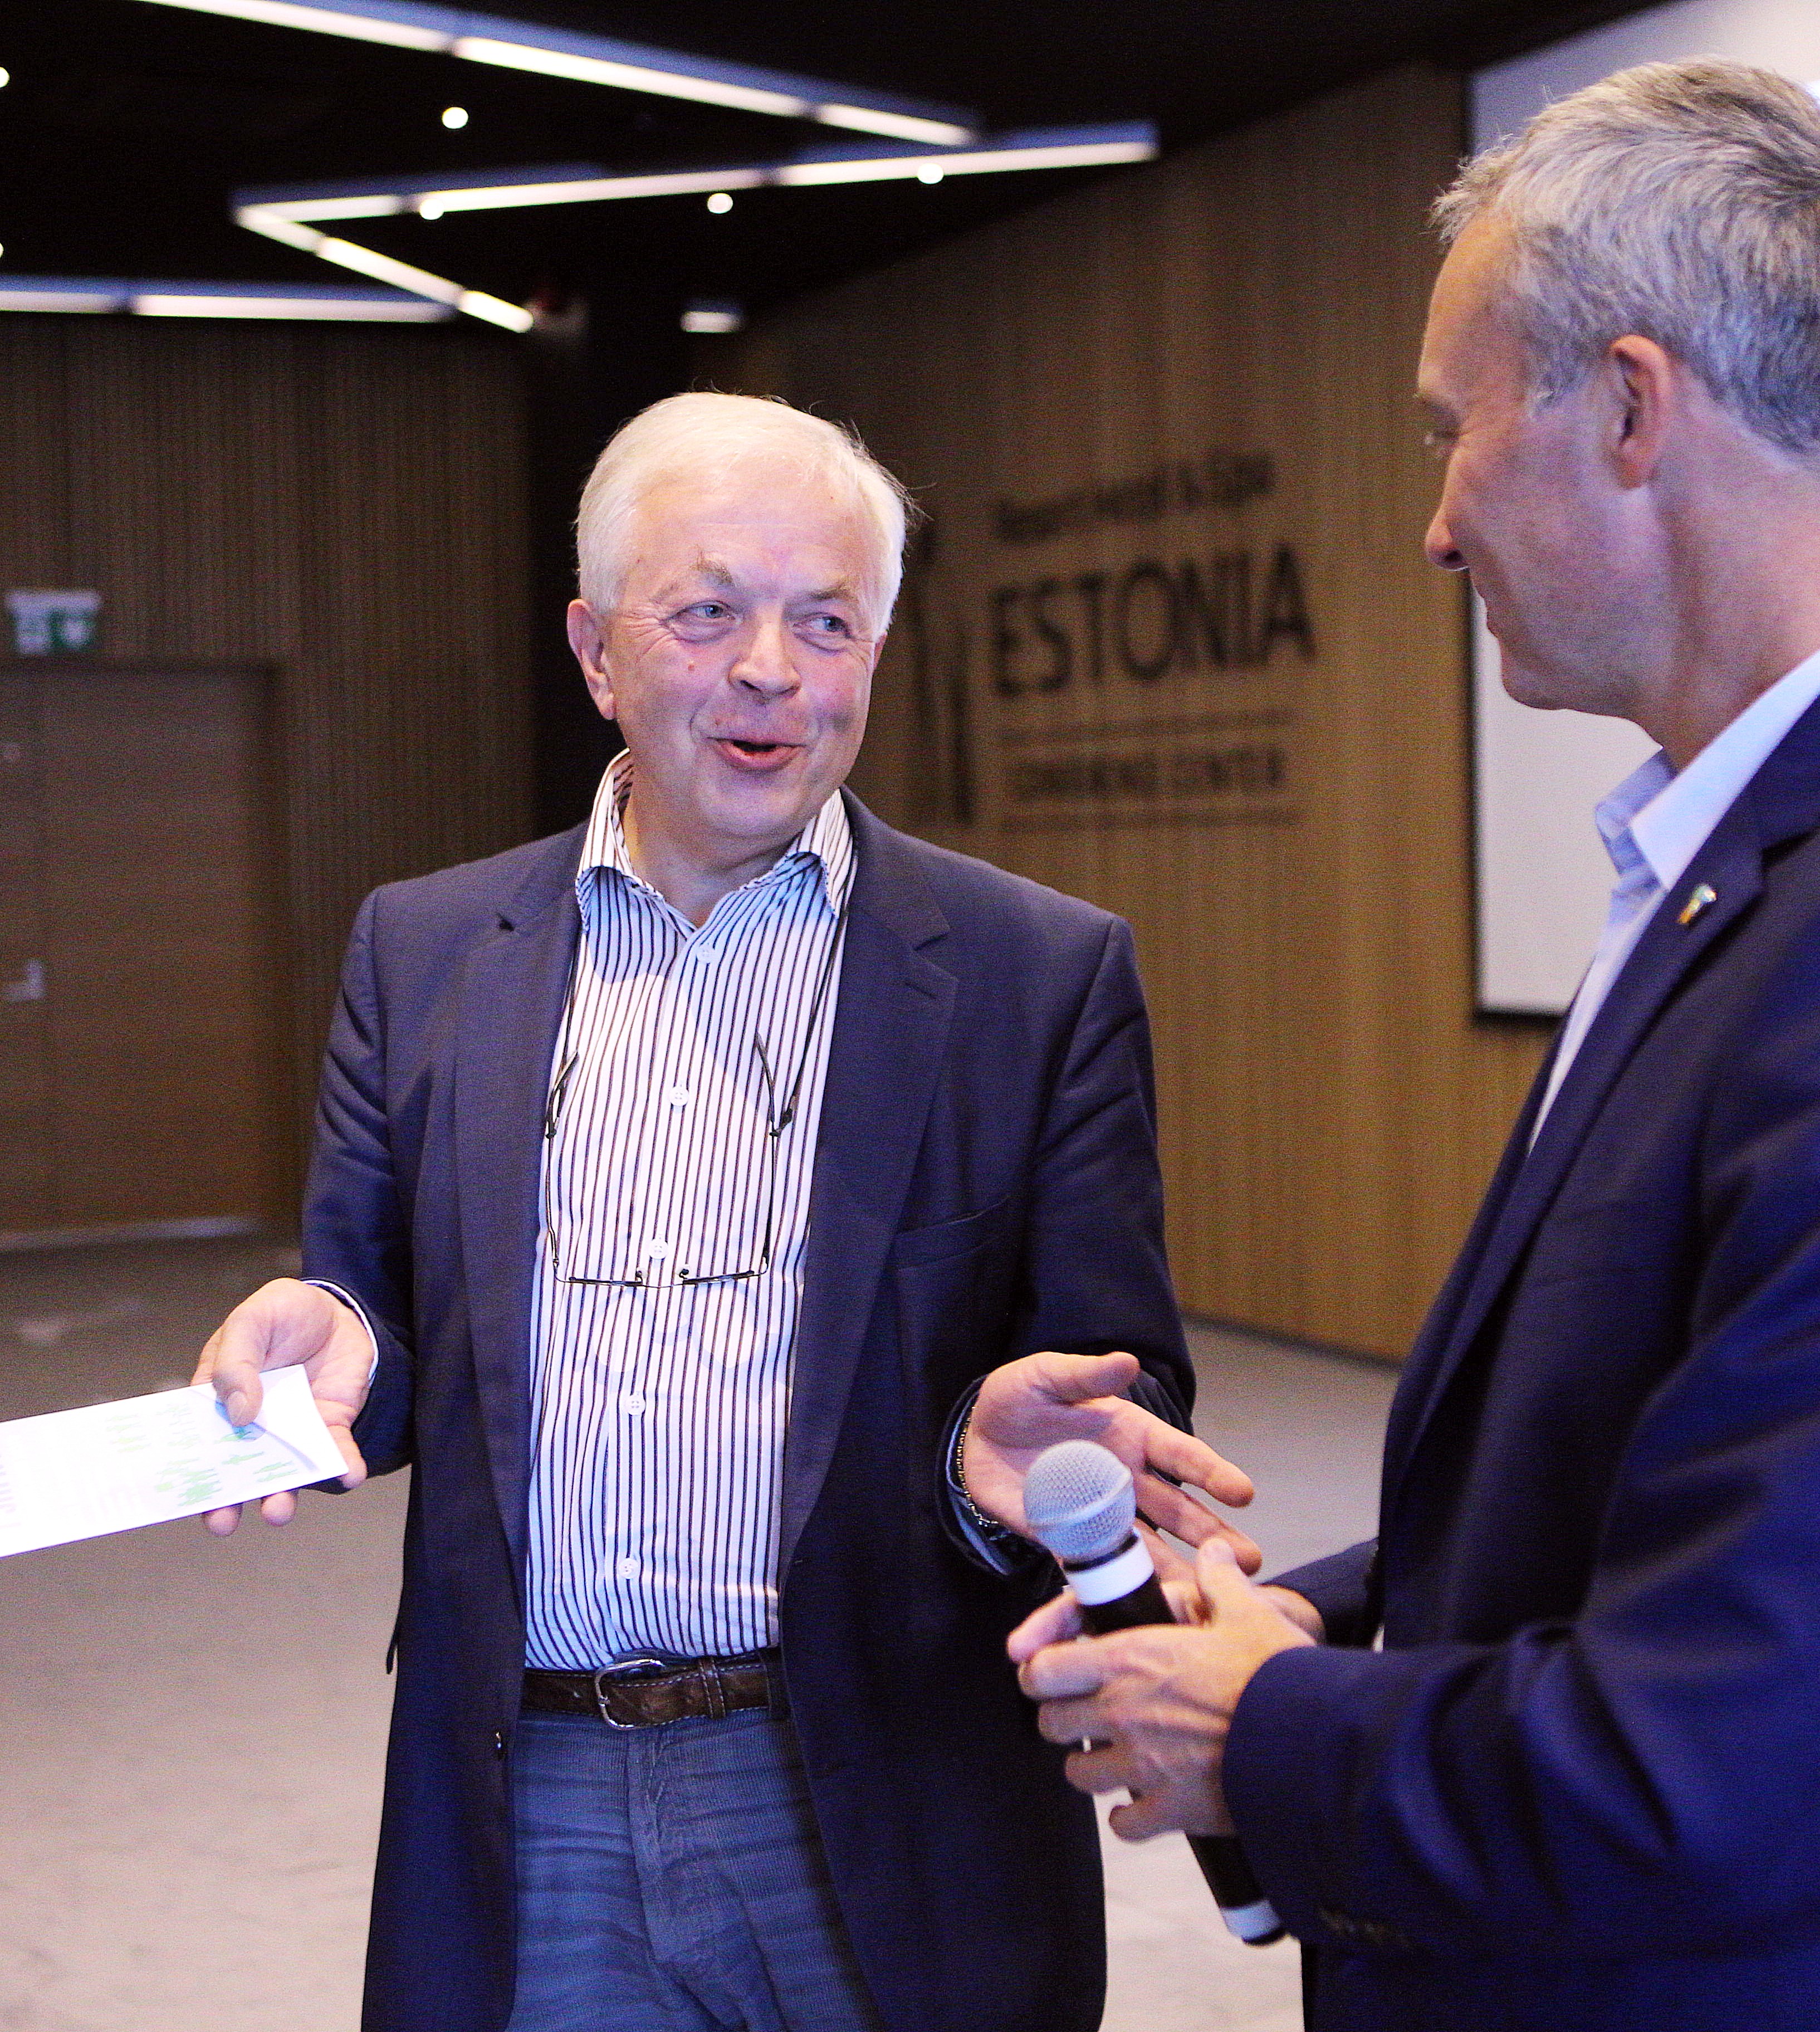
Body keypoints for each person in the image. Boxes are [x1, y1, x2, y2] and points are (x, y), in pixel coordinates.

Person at [1014, 57, 1820, 2029]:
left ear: (1634, 408)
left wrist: (1269, 1727)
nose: (1435, 528)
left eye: (1454, 431)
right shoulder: (1792, 862)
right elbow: (1676, 1483)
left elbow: (1738, 1750)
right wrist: (1313, 1619)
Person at [192, 392, 1255, 2032]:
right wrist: (329, 1339)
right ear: (594, 651)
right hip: (530, 1787)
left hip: (879, 1781)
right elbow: (385, 1329)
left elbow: (1120, 1386)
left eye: (825, 623)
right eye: (706, 613)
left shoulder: (1036, 976)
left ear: (873, 657)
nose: (771, 670)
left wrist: (996, 1454)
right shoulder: (424, 951)